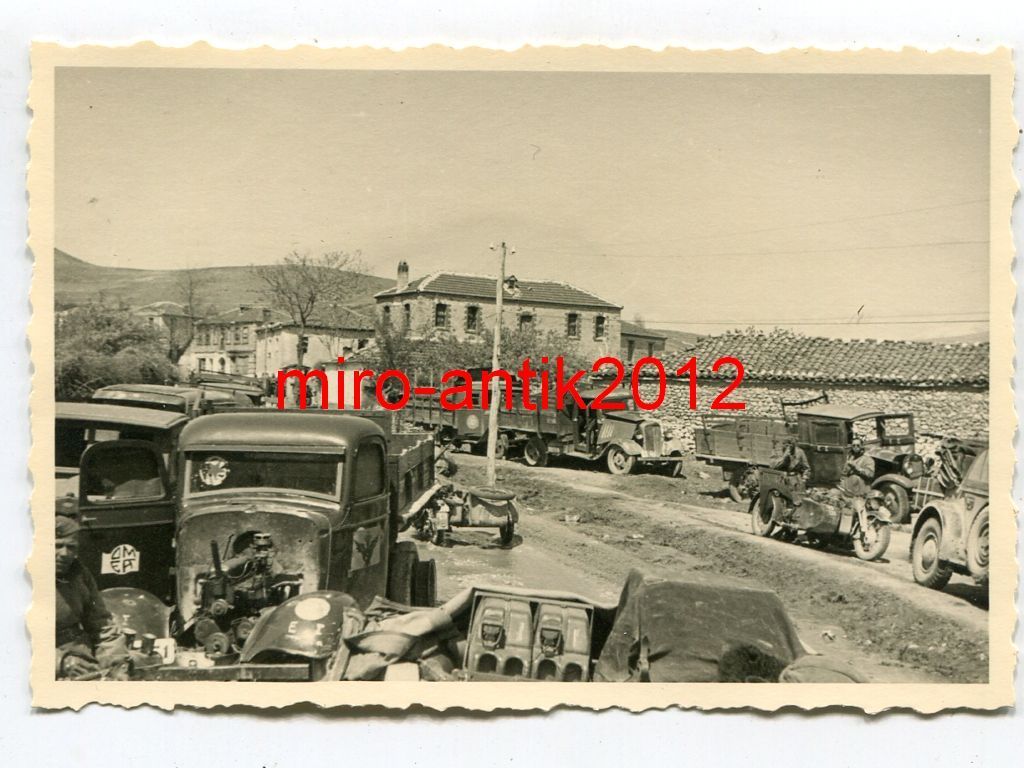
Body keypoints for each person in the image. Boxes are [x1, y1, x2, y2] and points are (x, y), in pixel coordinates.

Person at [55, 497, 129, 679]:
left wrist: (117, 661)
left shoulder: (79, 574)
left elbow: (102, 625)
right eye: (57, 546)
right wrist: (59, 662)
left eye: (71, 547)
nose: (64, 554)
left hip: (82, 659)